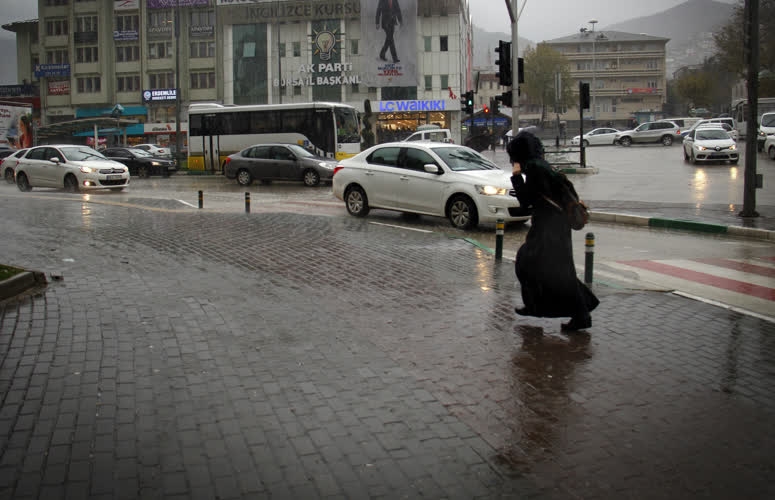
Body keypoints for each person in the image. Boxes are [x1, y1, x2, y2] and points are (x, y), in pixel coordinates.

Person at [508, 131, 599, 331]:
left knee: (531, 264)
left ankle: (547, 307)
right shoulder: (542, 166)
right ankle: (576, 313)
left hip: (549, 228)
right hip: (556, 225)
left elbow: (527, 201)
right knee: (556, 271)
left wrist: (516, 177)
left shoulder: (534, 169)